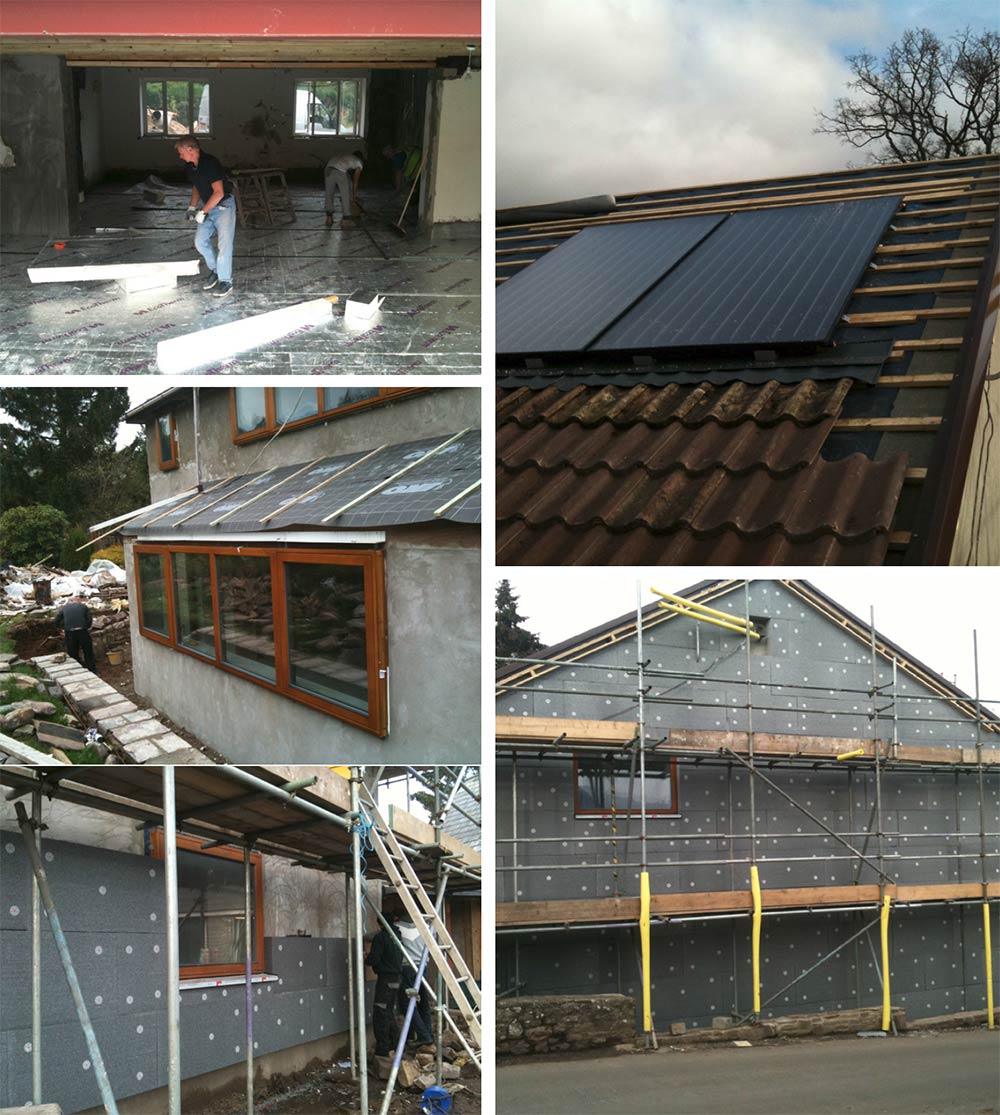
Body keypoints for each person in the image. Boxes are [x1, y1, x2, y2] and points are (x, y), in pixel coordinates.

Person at [175, 137, 236, 297]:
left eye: (181, 152)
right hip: (208, 205)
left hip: (223, 206)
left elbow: (219, 193)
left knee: (224, 244)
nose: (180, 156)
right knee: (200, 241)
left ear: (191, 149)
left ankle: (226, 281)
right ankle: (216, 270)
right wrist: (192, 207)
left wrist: (203, 212)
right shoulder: (190, 166)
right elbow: (196, 186)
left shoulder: (210, 163)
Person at [365, 916, 403, 1057]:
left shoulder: (381, 938)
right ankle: (396, 1044)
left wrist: (366, 958)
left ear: (380, 923)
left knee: (380, 1013)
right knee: (388, 1012)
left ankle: (383, 1049)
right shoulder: (397, 935)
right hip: (396, 979)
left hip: (385, 980)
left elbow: (374, 958)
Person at [396, 911, 435, 1045]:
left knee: (408, 1004)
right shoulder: (426, 926)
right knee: (423, 1003)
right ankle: (429, 1034)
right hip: (422, 967)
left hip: (408, 968)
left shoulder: (397, 927)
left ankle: (424, 1036)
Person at [54, 596, 96, 672]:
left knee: (73, 653)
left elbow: (56, 621)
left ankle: (76, 670)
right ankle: (91, 670)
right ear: (77, 601)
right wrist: (86, 627)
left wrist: (60, 631)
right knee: (88, 651)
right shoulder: (83, 606)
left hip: (70, 632)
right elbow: (89, 619)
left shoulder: (64, 608)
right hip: (82, 631)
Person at [324, 150, 364, 227]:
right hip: (339, 170)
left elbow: (348, 178)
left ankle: (329, 218)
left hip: (328, 168)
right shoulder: (359, 162)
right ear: (361, 158)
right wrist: (354, 195)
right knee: (345, 195)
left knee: (329, 193)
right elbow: (355, 182)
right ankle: (346, 220)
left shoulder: (347, 157)